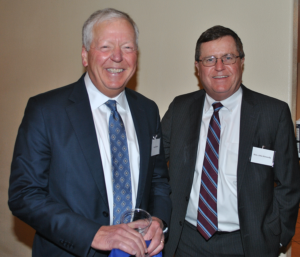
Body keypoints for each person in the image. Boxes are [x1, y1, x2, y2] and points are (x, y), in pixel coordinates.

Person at [8, 8, 171, 257]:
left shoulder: (148, 110)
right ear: (85, 55)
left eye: (127, 47)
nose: (117, 57)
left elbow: (158, 181)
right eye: (105, 47)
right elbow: (24, 195)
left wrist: (158, 221)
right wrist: (93, 234)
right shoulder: (46, 111)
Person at [162, 25, 300, 257]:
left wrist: (275, 238)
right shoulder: (180, 109)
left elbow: (289, 185)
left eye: (228, 57)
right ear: (197, 67)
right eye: (209, 59)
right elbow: (153, 166)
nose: (219, 67)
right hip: (185, 241)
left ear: (241, 61)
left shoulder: (272, 114)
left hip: (246, 244)